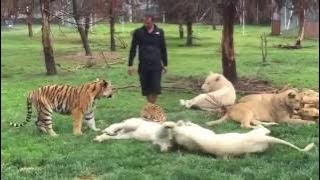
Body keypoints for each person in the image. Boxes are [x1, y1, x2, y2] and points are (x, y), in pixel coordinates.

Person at [128, 15, 168, 103]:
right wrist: (130, 64)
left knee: (155, 88)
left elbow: (163, 48)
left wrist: (165, 64)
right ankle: (150, 106)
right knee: (146, 89)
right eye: (145, 22)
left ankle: (151, 106)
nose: (146, 24)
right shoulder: (138, 32)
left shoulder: (159, 32)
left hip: (156, 65)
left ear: (153, 22)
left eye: (148, 23)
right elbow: (133, 48)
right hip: (143, 65)